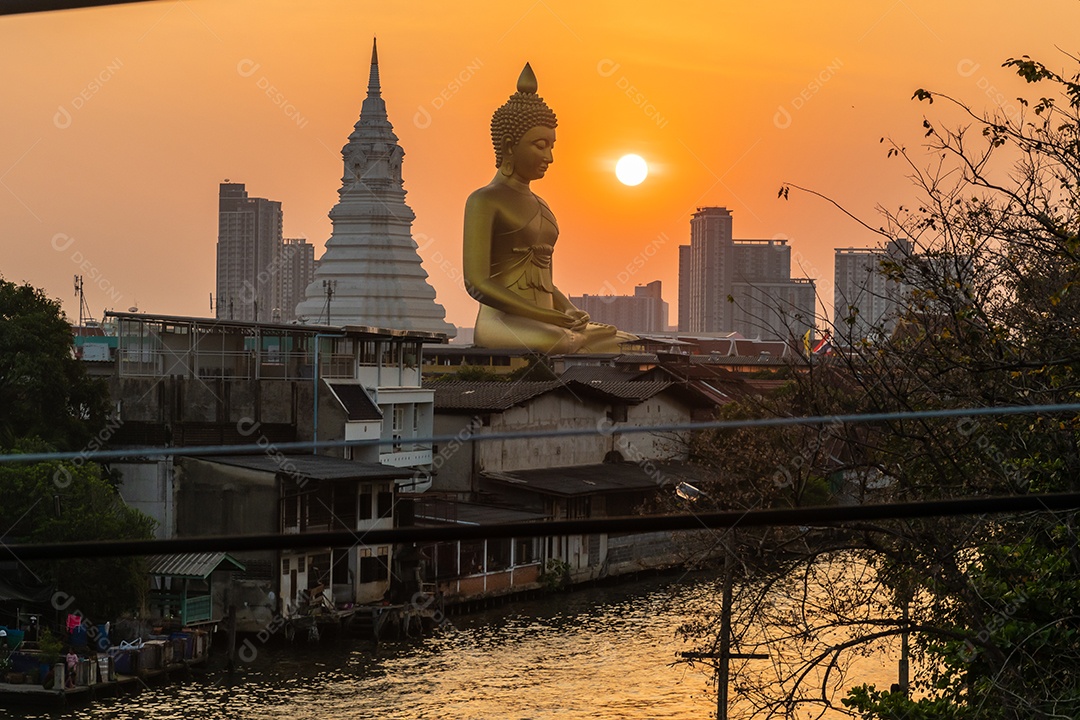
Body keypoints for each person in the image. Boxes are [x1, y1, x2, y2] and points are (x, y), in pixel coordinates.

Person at [463, 63, 636, 354]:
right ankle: (573, 338)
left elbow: (546, 282)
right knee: (561, 340)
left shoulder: (541, 205)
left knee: (631, 344)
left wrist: (568, 310)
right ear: (508, 146)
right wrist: (546, 317)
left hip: (549, 321)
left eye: (552, 146)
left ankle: (577, 336)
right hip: (503, 322)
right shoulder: (484, 200)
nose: (549, 156)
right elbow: (477, 283)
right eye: (540, 145)